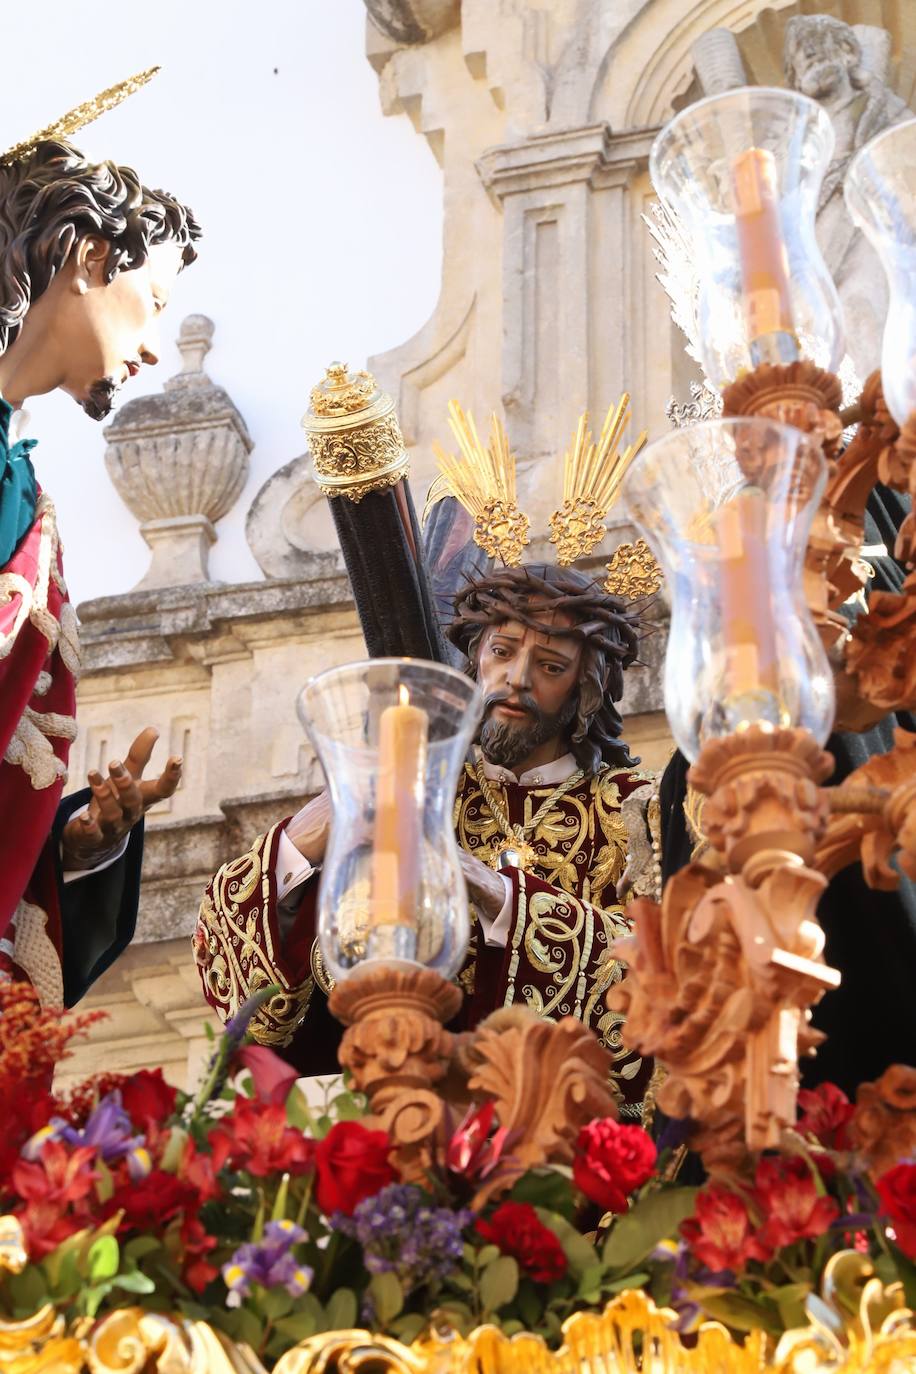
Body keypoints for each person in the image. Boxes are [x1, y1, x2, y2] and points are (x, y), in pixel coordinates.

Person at [194, 564, 659, 1119]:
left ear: (584, 692)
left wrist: (498, 894)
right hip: (391, 1115)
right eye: (502, 652)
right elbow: (245, 993)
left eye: (551, 666)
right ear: (475, 659)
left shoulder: (633, 811)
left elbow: (665, 980)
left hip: (553, 1140)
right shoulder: (415, 785)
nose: (517, 678)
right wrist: (302, 842)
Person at [0, 129, 200, 1009]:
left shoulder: (19, 479)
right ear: (87, 257)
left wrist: (68, 844)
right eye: (151, 299)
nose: (153, 345)